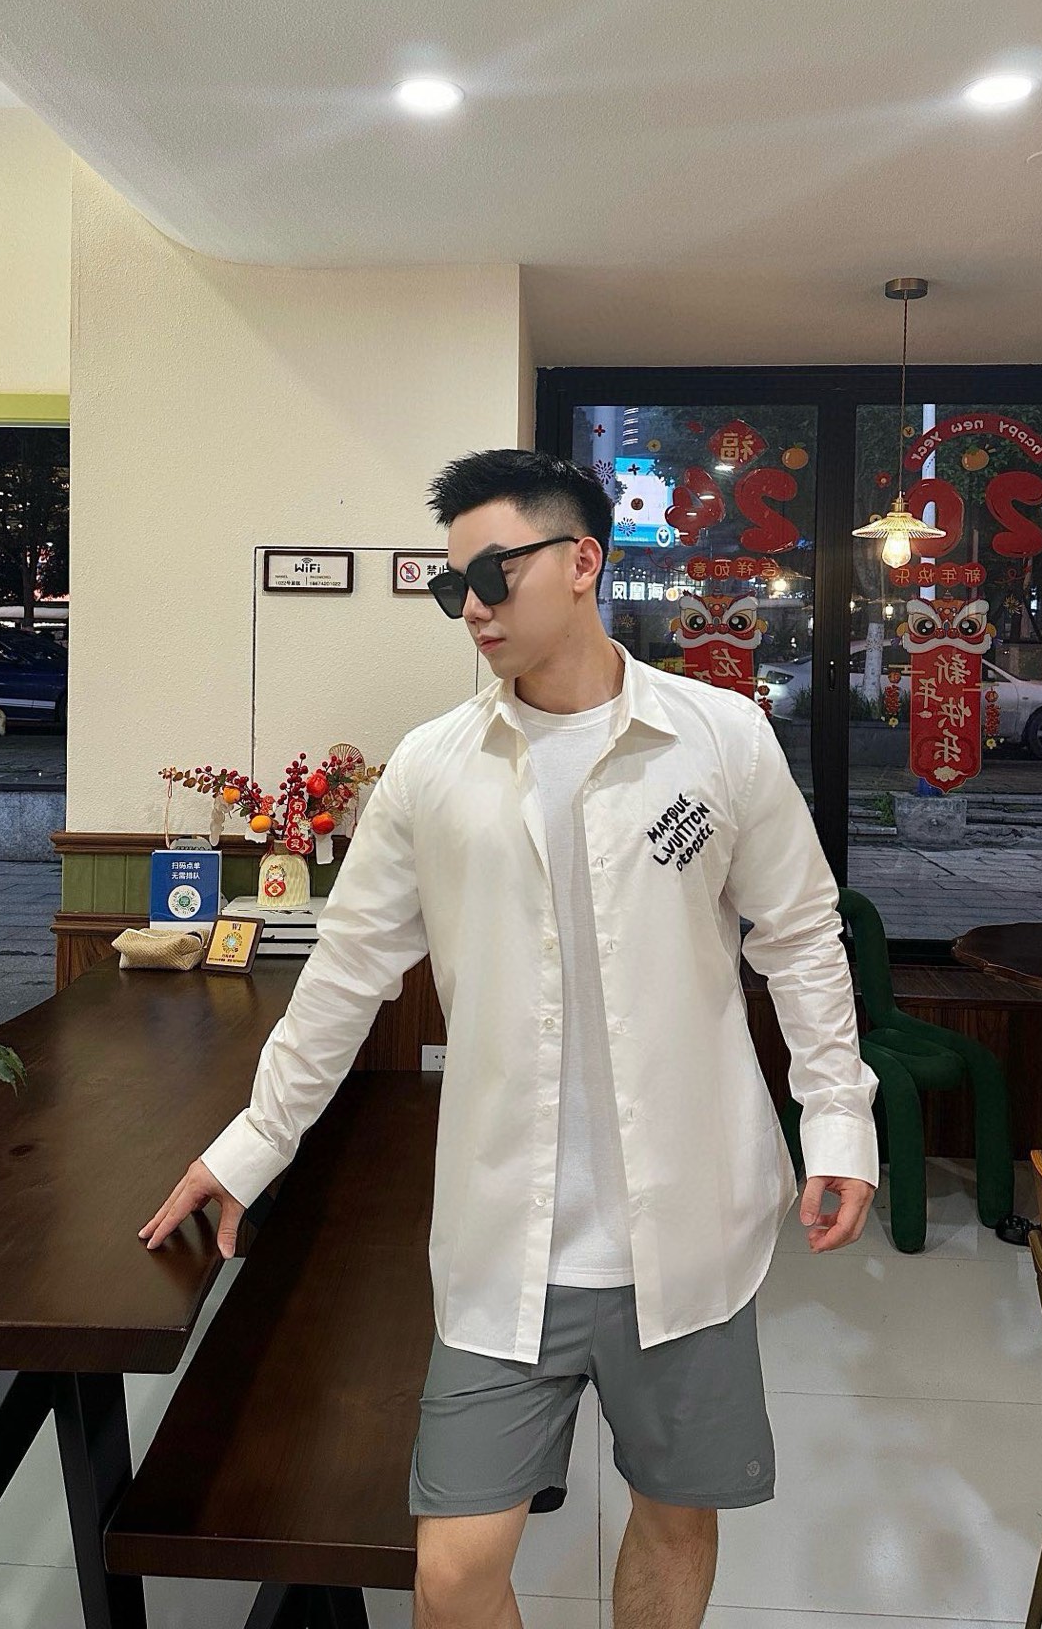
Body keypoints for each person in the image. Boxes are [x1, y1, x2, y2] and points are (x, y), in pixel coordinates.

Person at [140, 448, 879, 1629]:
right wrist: (252, 1145)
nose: (472, 606)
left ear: (583, 561)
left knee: (675, 1520)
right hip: (504, 1243)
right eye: (454, 586)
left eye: (494, 574)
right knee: (453, 1573)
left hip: (688, 1224)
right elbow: (345, 976)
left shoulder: (719, 739)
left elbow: (799, 935)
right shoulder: (432, 770)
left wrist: (838, 1120)